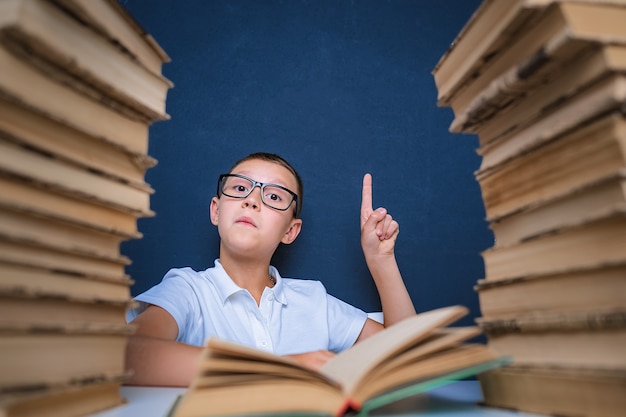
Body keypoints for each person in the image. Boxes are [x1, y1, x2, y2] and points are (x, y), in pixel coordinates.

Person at [125, 152, 416, 386]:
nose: (252, 200)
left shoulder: (314, 300)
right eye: (240, 188)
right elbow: (126, 354)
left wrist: (381, 261)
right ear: (216, 210)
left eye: (274, 196)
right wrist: (284, 368)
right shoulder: (187, 290)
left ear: (290, 230)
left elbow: (409, 357)